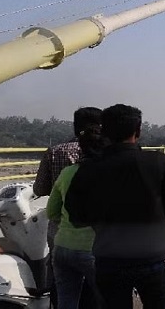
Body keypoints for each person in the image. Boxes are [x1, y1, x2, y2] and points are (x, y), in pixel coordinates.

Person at [64, 104, 165, 309]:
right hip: (152, 260)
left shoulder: (88, 169)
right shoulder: (159, 162)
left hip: (109, 262)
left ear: (105, 132)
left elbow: (76, 217)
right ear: (137, 131)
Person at [33, 106, 102, 307]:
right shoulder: (106, 156)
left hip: (60, 234)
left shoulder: (55, 152)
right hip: (93, 237)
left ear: (75, 127)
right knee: (96, 287)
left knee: (61, 285)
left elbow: (39, 189)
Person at [47, 123, 106, 309]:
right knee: (104, 299)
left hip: (62, 247)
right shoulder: (108, 173)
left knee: (66, 301)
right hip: (93, 250)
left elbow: (51, 212)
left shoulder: (67, 173)